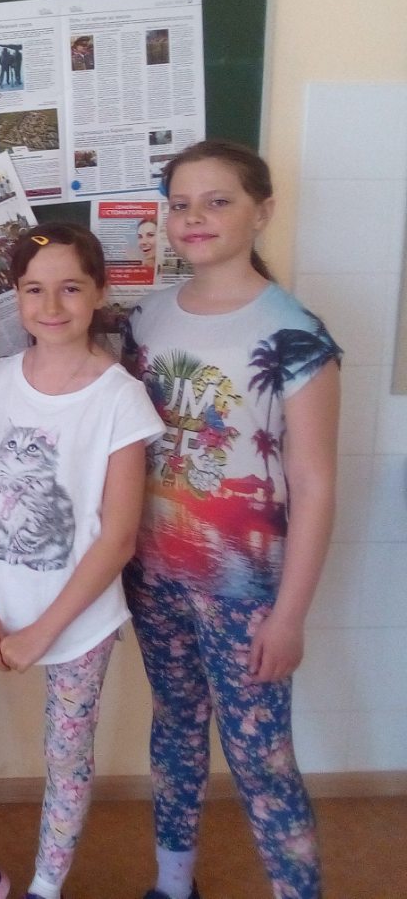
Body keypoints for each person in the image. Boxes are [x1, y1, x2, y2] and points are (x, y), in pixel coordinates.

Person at [0, 223, 162, 899]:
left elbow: (118, 538)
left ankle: (45, 886)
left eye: (70, 288)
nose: (51, 305)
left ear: (98, 291)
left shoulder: (120, 398)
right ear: (15, 296)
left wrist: (44, 632)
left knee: (66, 758)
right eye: (34, 289)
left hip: (77, 620)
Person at [121, 141, 341, 899]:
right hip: (153, 577)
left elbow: (314, 482)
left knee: (259, 756)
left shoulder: (294, 333)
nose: (196, 217)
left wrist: (290, 615)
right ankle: (173, 883)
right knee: (175, 728)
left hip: (247, 593)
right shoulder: (146, 319)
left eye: (218, 201)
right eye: (181, 204)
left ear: (261, 211)